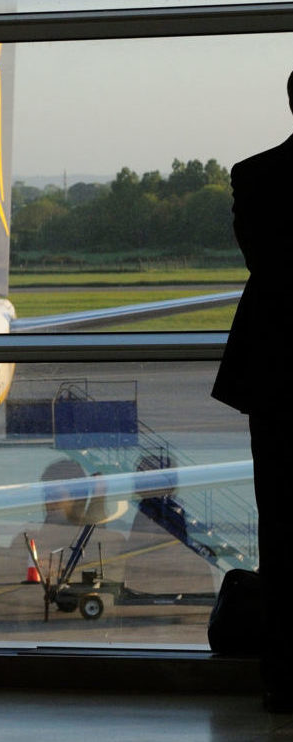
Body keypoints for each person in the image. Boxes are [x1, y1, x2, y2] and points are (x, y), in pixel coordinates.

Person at [211, 70, 293, 713]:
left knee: (283, 526)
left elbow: (266, 267)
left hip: (278, 377)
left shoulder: (254, 175)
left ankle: (284, 674)